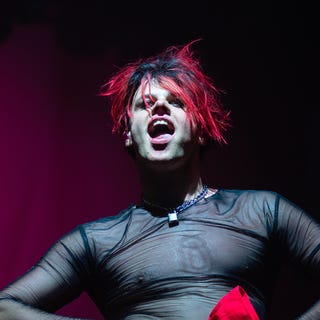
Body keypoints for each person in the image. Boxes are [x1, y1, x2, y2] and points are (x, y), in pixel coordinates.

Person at [0, 40, 319, 320]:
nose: (161, 107)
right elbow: (5, 308)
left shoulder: (262, 211)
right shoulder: (97, 241)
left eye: (177, 102)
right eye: (145, 105)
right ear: (128, 134)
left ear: (201, 128)